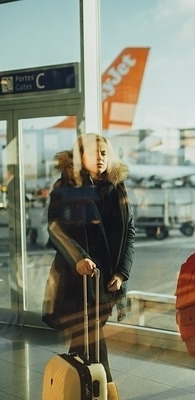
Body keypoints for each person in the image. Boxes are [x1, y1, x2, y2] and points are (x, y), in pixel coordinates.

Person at [43, 133, 135, 400]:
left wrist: (122, 272)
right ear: (80, 156)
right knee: (90, 334)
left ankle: (73, 388)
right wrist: (79, 257)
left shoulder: (117, 186)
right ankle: (106, 391)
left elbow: (129, 230)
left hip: (107, 279)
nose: (100, 157)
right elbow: (55, 228)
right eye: (94, 152)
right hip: (78, 278)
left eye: (104, 152)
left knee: (85, 342)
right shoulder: (66, 186)